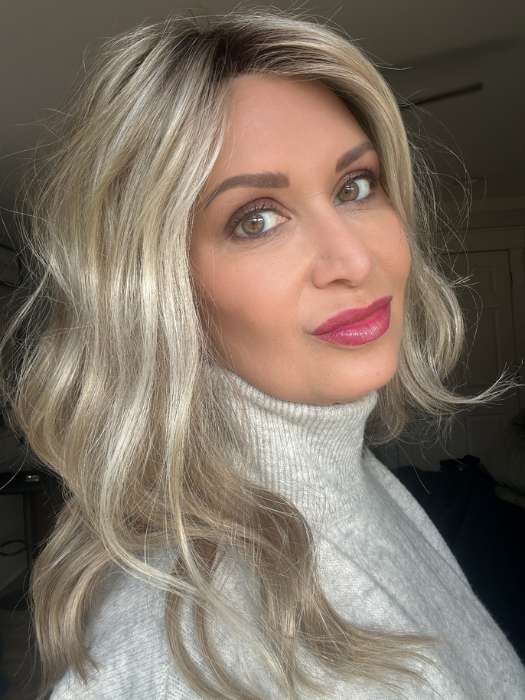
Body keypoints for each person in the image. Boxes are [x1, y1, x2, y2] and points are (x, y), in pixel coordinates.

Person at [1, 7, 524, 699]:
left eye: (354, 186)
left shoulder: (359, 481)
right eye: (257, 220)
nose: (352, 259)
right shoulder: (191, 655)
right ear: (159, 289)